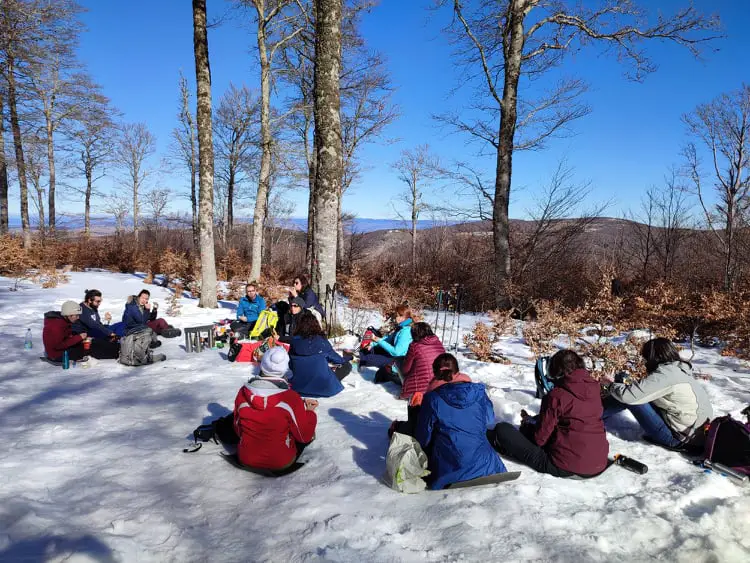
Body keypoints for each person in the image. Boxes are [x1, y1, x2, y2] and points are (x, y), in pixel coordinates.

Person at [489, 350, 609, 478]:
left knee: (503, 429)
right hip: (599, 462)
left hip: (565, 466)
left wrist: (527, 427)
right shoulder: (594, 388)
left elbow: (539, 439)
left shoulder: (556, 395)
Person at [415, 353, 507, 490]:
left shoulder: (432, 399)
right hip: (486, 465)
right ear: (457, 371)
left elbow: (423, 438)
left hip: (449, 469)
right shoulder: (479, 393)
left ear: (435, 374)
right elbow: (489, 419)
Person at [603, 337, 713, 450]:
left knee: (632, 397)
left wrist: (611, 385)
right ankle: (595, 412)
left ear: (653, 357)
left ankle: (591, 415)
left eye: (646, 358)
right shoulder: (680, 370)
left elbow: (630, 396)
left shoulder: (666, 375)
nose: (645, 361)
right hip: (696, 436)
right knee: (629, 388)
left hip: (679, 440)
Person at [233, 346, 317, 472]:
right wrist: (310, 412)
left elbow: (238, 429)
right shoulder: (291, 398)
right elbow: (303, 436)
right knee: (306, 431)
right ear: (285, 369)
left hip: (246, 459)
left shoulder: (243, 393)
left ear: (263, 365)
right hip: (280, 462)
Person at [288, 310, 352, 397]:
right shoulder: (321, 341)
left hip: (299, 387)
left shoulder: (294, 342)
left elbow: (291, 365)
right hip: (324, 387)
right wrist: (348, 358)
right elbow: (339, 360)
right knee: (347, 366)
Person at [43, 301, 120, 361]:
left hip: (64, 349)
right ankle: (118, 352)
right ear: (69, 315)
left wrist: (79, 339)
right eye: (76, 315)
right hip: (59, 355)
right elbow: (58, 345)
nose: (78, 318)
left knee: (93, 341)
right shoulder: (56, 326)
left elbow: (66, 337)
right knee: (91, 348)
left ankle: (119, 348)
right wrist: (78, 338)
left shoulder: (64, 321)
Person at [360, 305, 414, 376]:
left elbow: (397, 352)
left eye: (397, 315)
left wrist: (378, 340)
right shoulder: (401, 327)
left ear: (403, 317)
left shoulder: (406, 331)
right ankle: (360, 359)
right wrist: (372, 344)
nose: (395, 317)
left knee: (366, 358)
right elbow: (388, 339)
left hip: (398, 361)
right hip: (392, 355)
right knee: (369, 351)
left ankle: (358, 362)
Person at [399, 322, 445, 400]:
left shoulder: (414, 346)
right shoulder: (438, 343)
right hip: (438, 386)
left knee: (398, 361)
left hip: (419, 391)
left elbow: (405, 369)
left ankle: (406, 388)